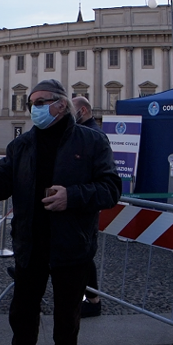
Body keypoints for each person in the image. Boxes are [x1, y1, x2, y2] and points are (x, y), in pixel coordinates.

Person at [0, 79, 122, 345]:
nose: (34, 108)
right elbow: (3, 186)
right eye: (30, 104)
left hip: (71, 245)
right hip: (30, 243)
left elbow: (111, 189)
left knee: (67, 314)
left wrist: (72, 196)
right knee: (22, 310)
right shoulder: (20, 146)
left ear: (61, 104)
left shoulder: (92, 142)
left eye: (40, 102)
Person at [72, 95, 105, 318]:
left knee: (84, 255)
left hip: (84, 205)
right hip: (79, 202)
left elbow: (100, 180)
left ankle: (93, 300)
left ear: (82, 111)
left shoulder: (93, 135)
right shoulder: (83, 133)